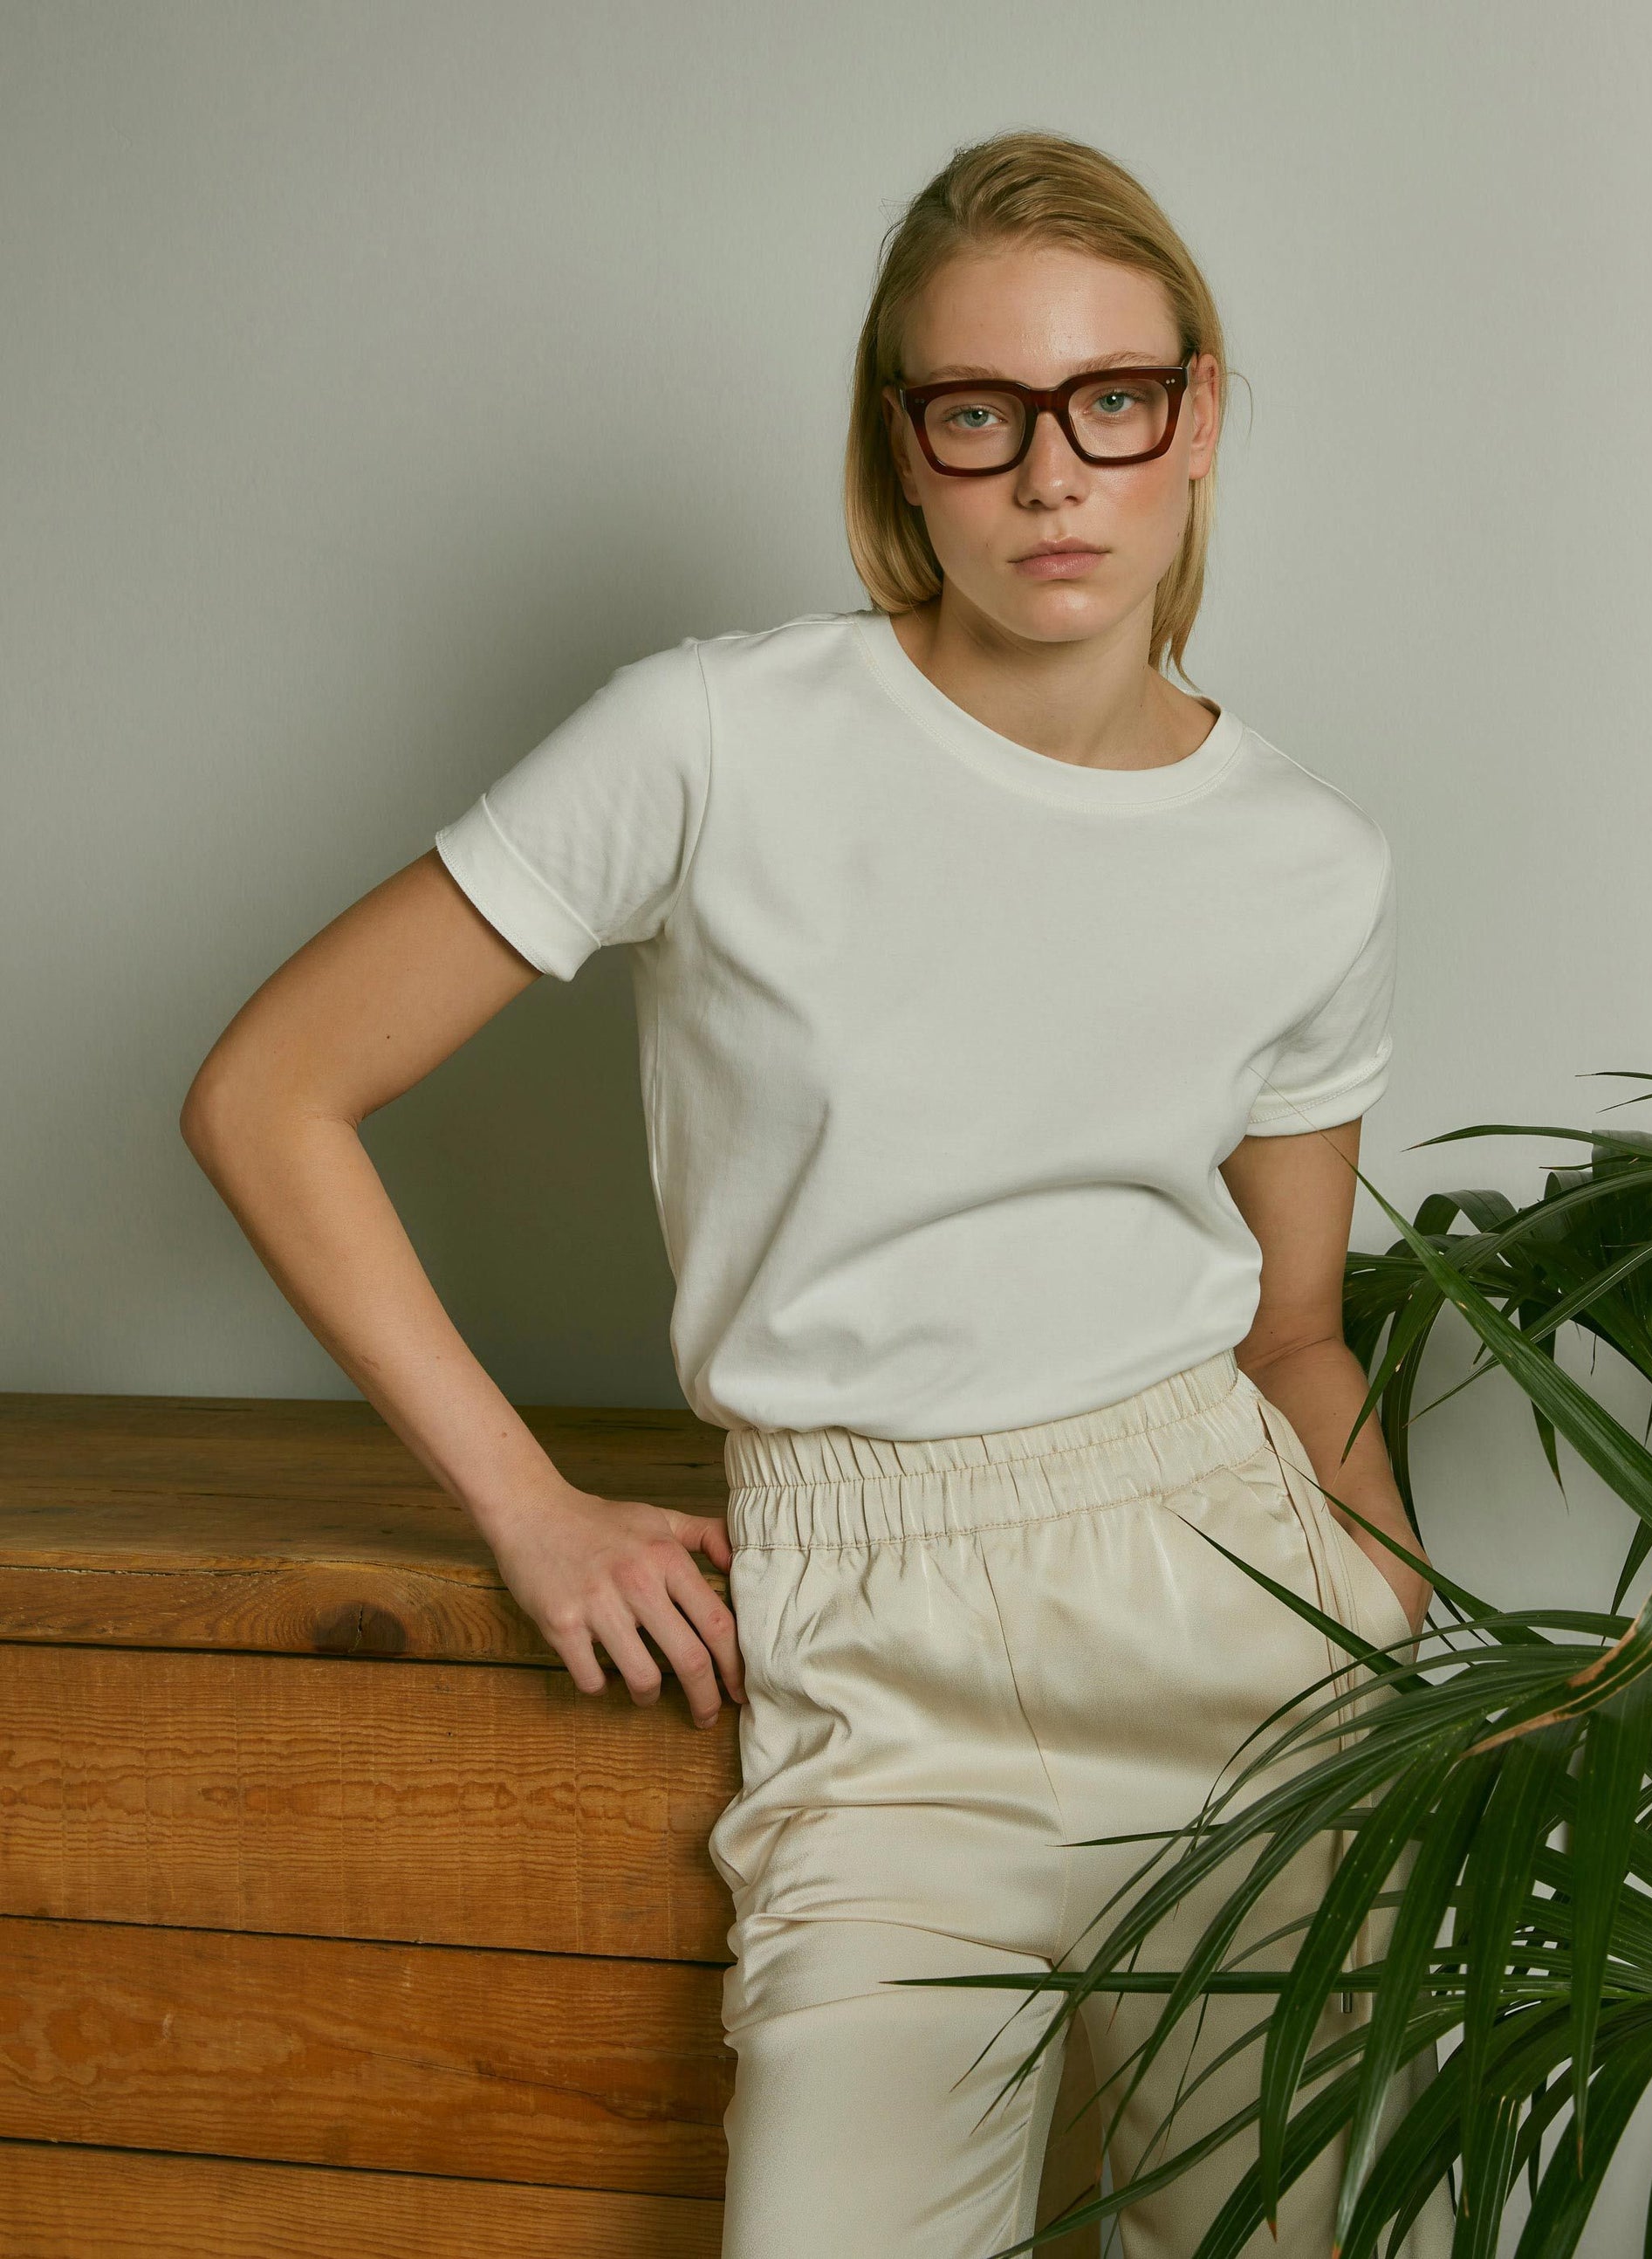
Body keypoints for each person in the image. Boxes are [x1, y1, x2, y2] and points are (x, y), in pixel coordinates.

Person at [182, 127, 1443, 2259]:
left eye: (1108, 401)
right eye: (981, 414)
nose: (1051, 477)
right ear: (902, 443)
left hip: (1239, 1618)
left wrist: (1401, 1626)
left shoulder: (1306, 861)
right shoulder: (712, 738)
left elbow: (1294, 1327)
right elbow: (268, 1090)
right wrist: (526, 1507)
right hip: (870, 1644)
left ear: (1196, 418)